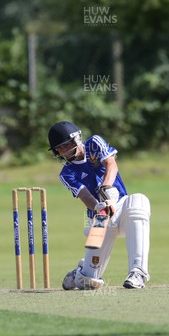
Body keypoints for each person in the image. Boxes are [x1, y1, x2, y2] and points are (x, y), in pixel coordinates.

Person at [47, 121, 151, 290]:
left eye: (65, 146)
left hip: (121, 205)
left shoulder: (94, 143)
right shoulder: (66, 173)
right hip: (100, 217)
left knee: (139, 201)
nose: (63, 152)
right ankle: (81, 273)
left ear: (76, 139)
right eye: (59, 149)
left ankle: (137, 272)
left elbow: (112, 164)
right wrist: (99, 206)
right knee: (89, 282)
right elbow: (85, 196)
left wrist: (106, 189)